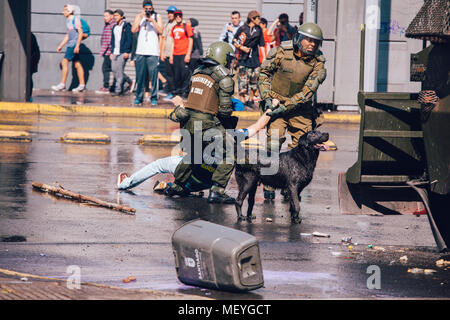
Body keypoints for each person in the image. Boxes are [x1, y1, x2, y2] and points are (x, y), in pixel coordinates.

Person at [117, 97, 272, 194]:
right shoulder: (234, 134)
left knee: (158, 165)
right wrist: (273, 106)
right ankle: (170, 187)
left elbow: (184, 122)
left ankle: (125, 184)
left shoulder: (204, 125)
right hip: (208, 181)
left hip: (191, 172)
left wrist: (179, 103)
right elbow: (258, 126)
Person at [257, 22, 327, 199]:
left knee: (301, 147)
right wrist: (266, 97)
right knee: (273, 143)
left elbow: (306, 93)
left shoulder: (318, 63)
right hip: (275, 103)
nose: (312, 44)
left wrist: (284, 107)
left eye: (315, 42)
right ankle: (269, 185)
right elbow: (264, 73)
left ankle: (292, 187)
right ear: (299, 38)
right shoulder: (282, 51)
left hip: (301, 110)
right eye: (308, 40)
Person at [165, 41, 238, 203]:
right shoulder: (224, 77)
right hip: (207, 125)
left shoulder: (197, 72)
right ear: (222, 57)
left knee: (193, 154)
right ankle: (217, 191)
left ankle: (178, 185)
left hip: (188, 123)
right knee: (231, 152)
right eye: (229, 58)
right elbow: (225, 112)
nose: (230, 62)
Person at [132, 0, 163, 106]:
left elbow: (161, 31)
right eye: (146, 9)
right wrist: (141, 17)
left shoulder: (157, 16)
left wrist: (152, 21)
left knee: (153, 76)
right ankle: (139, 97)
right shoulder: (139, 16)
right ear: (143, 8)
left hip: (153, 51)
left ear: (152, 8)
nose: (148, 10)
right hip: (141, 50)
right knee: (140, 76)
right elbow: (133, 30)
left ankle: (154, 97)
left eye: (150, 9)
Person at [232, 10, 265, 109]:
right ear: (252, 19)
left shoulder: (259, 29)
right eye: (257, 18)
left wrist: (264, 59)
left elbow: (262, 45)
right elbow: (234, 41)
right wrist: (242, 48)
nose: (259, 20)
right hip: (243, 60)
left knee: (254, 82)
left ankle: (250, 100)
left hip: (255, 60)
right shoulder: (243, 28)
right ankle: (243, 102)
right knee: (243, 83)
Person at [51, 4, 86, 92]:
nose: (63, 12)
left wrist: (77, 45)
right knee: (77, 64)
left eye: (65, 10)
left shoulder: (75, 20)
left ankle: (62, 84)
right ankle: (82, 85)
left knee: (64, 62)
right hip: (71, 44)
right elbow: (68, 35)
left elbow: (80, 33)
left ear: (70, 11)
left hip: (73, 45)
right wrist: (61, 45)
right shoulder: (68, 21)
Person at [169, 10, 193, 98]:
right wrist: (171, 55)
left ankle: (184, 92)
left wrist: (188, 54)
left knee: (184, 74)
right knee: (176, 75)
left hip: (184, 54)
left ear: (182, 17)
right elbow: (172, 42)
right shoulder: (174, 28)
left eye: (179, 16)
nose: (178, 17)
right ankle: (177, 93)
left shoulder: (187, 27)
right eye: (176, 16)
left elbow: (190, 40)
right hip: (175, 55)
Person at [110, 9, 133, 96]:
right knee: (114, 69)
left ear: (121, 17)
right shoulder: (114, 27)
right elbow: (112, 40)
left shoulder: (126, 26)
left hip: (122, 52)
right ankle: (128, 81)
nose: (115, 17)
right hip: (115, 51)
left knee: (119, 71)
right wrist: (111, 52)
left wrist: (127, 51)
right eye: (114, 16)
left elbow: (129, 39)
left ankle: (118, 90)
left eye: (117, 16)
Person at [160, 5, 178, 100]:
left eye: (172, 13)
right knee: (169, 74)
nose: (169, 15)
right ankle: (171, 91)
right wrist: (162, 52)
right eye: (169, 13)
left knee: (175, 74)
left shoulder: (178, 24)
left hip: (175, 54)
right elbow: (164, 38)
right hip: (167, 53)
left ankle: (175, 93)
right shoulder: (167, 24)